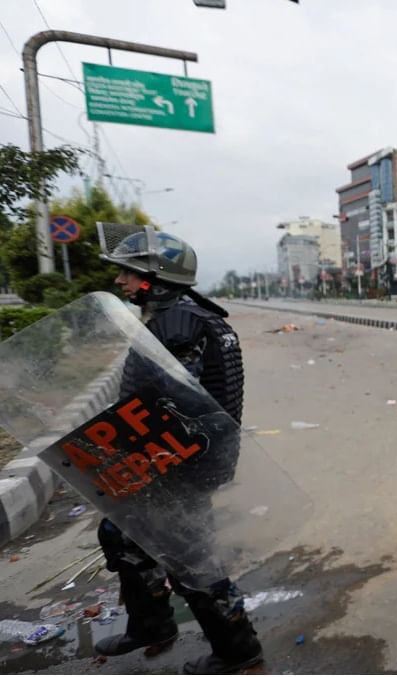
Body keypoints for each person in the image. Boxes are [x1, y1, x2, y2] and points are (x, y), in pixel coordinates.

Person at [95, 225, 262, 674]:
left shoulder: (180, 324)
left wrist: (137, 452)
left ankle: (237, 650)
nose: (120, 281)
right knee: (122, 535)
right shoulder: (189, 316)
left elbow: (178, 401)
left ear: (156, 278)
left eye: (128, 273)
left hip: (178, 462)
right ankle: (151, 625)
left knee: (191, 557)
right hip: (176, 458)